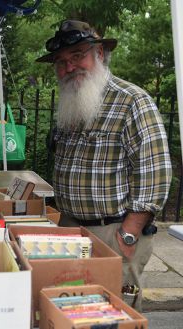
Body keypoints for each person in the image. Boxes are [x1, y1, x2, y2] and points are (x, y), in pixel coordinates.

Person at [37, 20, 172, 310]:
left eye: (77, 56)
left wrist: (128, 234)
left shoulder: (132, 100)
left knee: (111, 314)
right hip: (71, 229)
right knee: (73, 312)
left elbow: (156, 174)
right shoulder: (72, 102)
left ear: (99, 54)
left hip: (114, 233)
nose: (69, 67)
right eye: (61, 62)